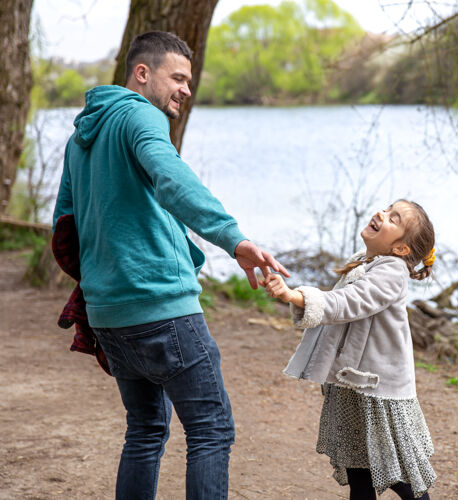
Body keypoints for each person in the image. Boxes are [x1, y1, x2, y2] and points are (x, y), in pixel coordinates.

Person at [51, 31, 288, 500]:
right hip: (162, 307)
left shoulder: (82, 135)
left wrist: (101, 284)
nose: (185, 89)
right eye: (177, 77)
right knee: (211, 430)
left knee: (144, 431)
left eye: (189, 80)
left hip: (109, 314)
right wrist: (233, 239)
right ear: (143, 73)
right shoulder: (141, 117)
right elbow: (172, 179)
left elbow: (64, 223)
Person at [263, 199, 437, 500]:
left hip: (379, 392)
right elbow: (340, 305)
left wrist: (296, 296)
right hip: (351, 385)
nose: (381, 214)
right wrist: (294, 297)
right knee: (359, 473)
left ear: (401, 249)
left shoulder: (392, 271)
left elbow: (348, 303)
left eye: (394, 219)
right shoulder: (366, 260)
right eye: (387, 208)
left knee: (398, 472)